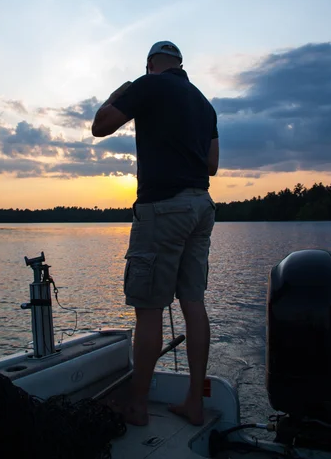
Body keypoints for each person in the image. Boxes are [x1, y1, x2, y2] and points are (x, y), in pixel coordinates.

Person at [91, 41, 219, 427]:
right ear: (181, 64)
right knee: (193, 303)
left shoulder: (149, 85)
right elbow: (212, 165)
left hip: (163, 207)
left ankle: (137, 405)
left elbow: (100, 127)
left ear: (150, 64)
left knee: (148, 312)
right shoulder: (203, 102)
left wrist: (117, 95)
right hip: (201, 206)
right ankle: (194, 402)